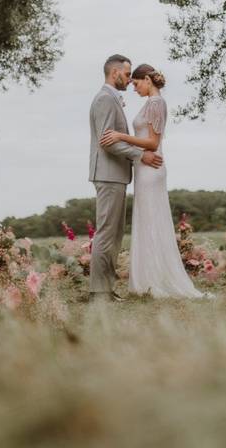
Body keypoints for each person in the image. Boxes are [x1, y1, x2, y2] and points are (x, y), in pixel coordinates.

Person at [100, 63, 205, 299]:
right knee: (146, 222)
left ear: (147, 80)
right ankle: (147, 280)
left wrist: (120, 135)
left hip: (151, 168)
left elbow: (153, 143)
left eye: (136, 83)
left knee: (151, 222)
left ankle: (154, 281)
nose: (134, 88)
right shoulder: (150, 103)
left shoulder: (157, 103)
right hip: (143, 168)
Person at [88, 55, 162, 302]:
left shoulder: (110, 98)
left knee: (114, 233)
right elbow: (107, 143)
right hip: (108, 174)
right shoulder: (105, 99)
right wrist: (141, 156)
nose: (130, 79)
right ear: (115, 73)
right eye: (127, 74)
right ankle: (99, 292)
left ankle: (106, 289)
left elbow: (114, 139)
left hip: (115, 175)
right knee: (107, 232)